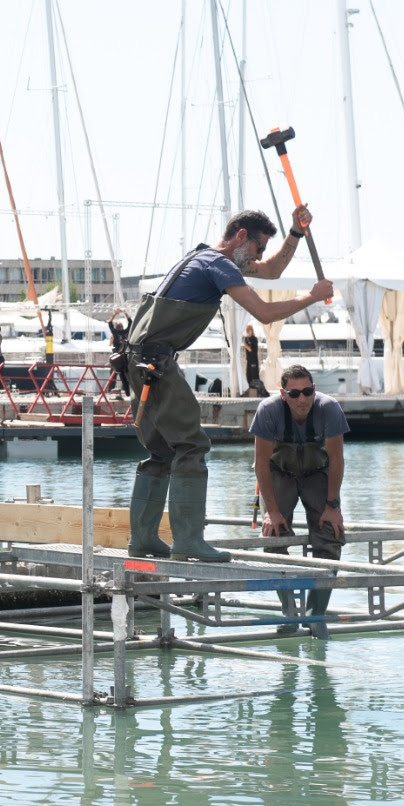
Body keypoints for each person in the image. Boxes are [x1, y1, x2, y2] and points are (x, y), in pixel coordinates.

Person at [126, 207, 333, 562]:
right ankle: (188, 541)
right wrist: (312, 297)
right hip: (156, 363)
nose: (259, 256)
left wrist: (295, 233)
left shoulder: (204, 257)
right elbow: (264, 314)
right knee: (192, 445)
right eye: (257, 248)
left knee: (161, 452)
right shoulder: (218, 265)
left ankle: (143, 539)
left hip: (139, 360)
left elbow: (271, 271)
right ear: (241, 237)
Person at [252, 364, 348, 635]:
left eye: (307, 392)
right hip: (278, 473)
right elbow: (260, 464)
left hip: (318, 474)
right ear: (283, 394)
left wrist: (332, 506)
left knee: (331, 533)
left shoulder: (329, 409)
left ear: (314, 390)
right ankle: (289, 611)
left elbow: (337, 460)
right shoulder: (268, 411)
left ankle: (316, 614)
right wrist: (271, 510)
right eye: (294, 394)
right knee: (273, 536)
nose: (302, 399)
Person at [107, 308, 132, 398]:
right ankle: (127, 392)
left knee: (113, 374)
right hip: (125, 357)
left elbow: (109, 323)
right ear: (122, 327)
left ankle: (110, 390)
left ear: (116, 328)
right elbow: (130, 322)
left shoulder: (115, 333)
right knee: (125, 375)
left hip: (116, 357)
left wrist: (114, 314)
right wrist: (125, 312)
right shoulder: (126, 332)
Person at [243, 323, 267, 396]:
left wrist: (245, 345)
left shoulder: (254, 339)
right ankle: (249, 389)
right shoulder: (246, 339)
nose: (248, 331)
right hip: (249, 360)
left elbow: (250, 349)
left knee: (254, 376)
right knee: (248, 375)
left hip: (254, 360)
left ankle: (257, 391)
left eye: (249, 330)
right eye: (247, 330)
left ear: (252, 330)